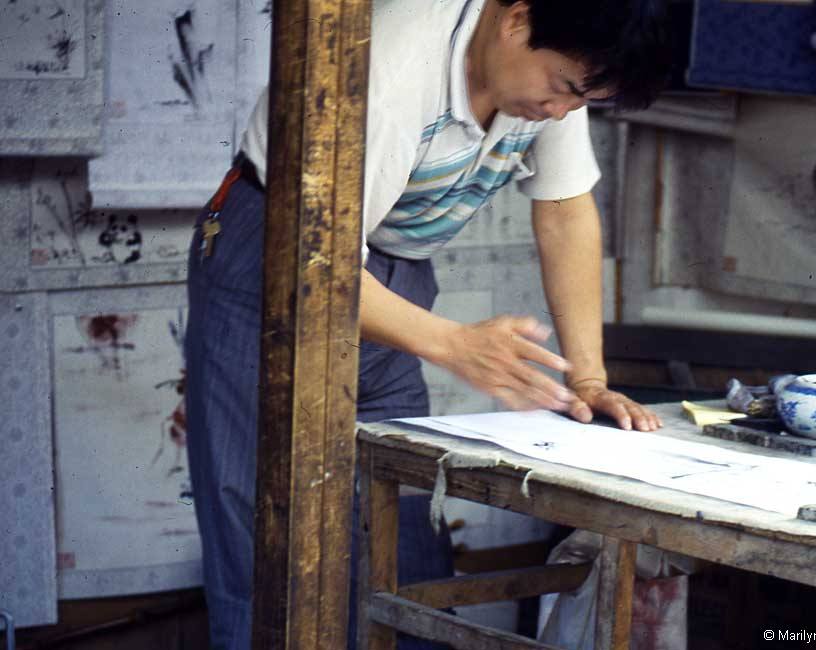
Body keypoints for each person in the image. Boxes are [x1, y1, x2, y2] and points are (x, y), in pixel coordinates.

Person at [184, 0, 675, 647]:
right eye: (564, 89)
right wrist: (451, 343)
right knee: (265, 531)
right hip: (271, 257)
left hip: (387, 268)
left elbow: (564, 207)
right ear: (516, 20)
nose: (563, 112)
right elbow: (316, 262)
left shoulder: (550, 82)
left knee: (401, 519)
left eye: (582, 99)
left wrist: (588, 379)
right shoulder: (385, 68)